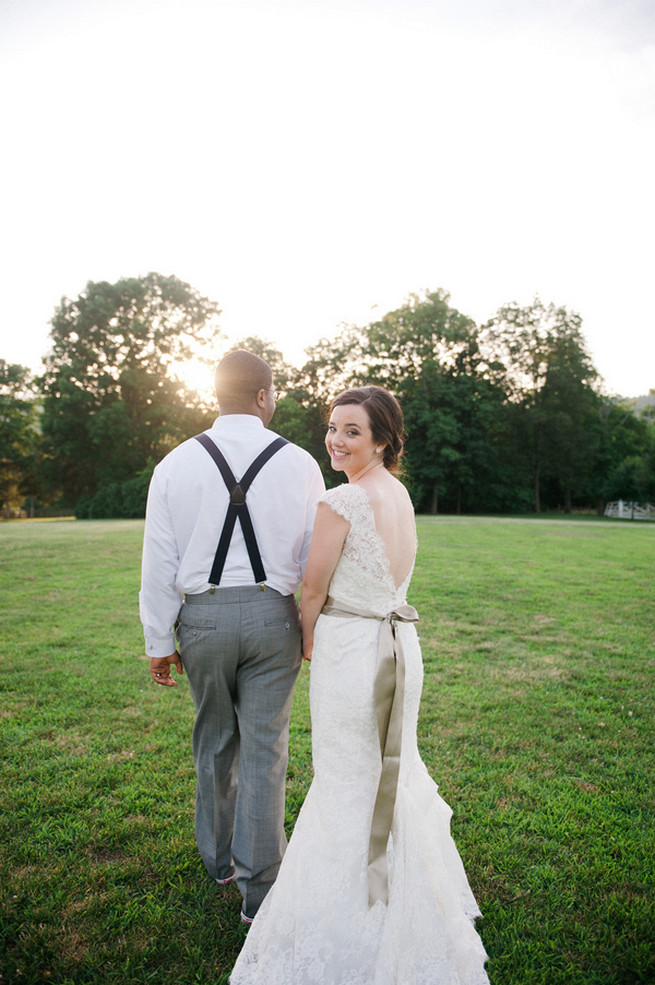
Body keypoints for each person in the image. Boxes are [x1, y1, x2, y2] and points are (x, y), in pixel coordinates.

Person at [230, 385, 489, 985]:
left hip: (354, 652)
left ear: (381, 438)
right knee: (389, 772)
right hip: (398, 645)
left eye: (352, 430)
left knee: (349, 778)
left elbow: (313, 590)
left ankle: (356, 913)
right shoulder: (396, 494)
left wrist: (306, 645)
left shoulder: (340, 502)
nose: (336, 440)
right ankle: (405, 900)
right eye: (331, 427)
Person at [139, 349, 325, 924]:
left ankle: (219, 860)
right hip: (275, 618)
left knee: (215, 742)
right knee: (266, 754)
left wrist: (157, 640)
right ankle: (260, 894)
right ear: (264, 395)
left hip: (203, 620)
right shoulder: (299, 463)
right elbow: (314, 557)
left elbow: (159, 561)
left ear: (215, 395)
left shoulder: (174, 463)